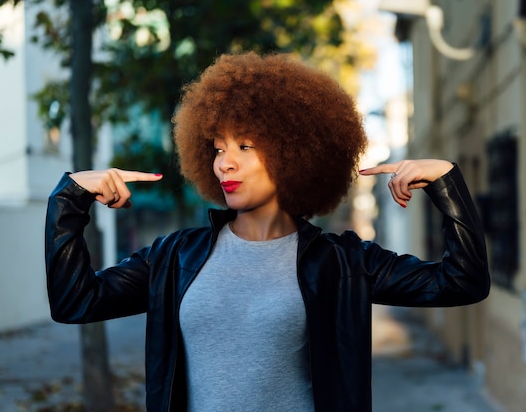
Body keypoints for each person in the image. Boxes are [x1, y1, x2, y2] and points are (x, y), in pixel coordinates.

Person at [45, 51, 490, 412]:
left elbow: (461, 282)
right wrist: (70, 199)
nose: (226, 162)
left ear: (295, 152)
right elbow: (75, 302)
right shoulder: (175, 257)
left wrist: (446, 181)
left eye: (246, 146)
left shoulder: (342, 262)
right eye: (218, 148)